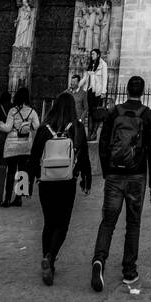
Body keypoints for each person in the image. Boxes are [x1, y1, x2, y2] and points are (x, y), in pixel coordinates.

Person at [91, 75, 151, 293]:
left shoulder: (114, 112)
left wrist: (107, 170)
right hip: (137, 176)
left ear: (127, 90)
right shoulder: (147, 115)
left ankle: (99, 260)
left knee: (108, 221)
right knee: (133, 224)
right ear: (143, 91)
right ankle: (129, 271)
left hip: (114, 175)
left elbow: (103, 143)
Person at [29, 90, 92, 285]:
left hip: (46, 182)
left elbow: (33, 157)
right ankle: (50, 258)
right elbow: (84, 156)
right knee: (62, 223)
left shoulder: (44, 128)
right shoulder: (77, 127)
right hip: (67, 181)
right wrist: (85, 179)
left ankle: (48, 258)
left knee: (49, 222)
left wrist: (28, 182)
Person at [0, 87, 39, 206]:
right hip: (25, 145)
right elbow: (37, 126)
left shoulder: (12, 111)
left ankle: (7, 199)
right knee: (22, 172)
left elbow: (7, 128)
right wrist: (28, 126)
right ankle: (18, 198)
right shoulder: (32, 111)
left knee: (11, 172)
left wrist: (0, 124)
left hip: (12, 145)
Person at [84, 48, 109, 137]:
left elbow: (105, 78)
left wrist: (103, 92)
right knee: (90, 112)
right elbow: (87, 78)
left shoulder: (103, 65)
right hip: (91, 90)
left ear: (98, 55)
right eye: (91, 54)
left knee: (97, 112)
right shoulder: (91, 65)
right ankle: (89, 133)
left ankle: (94, 133)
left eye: (93, 54)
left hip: (98, 91)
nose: (91, 56)